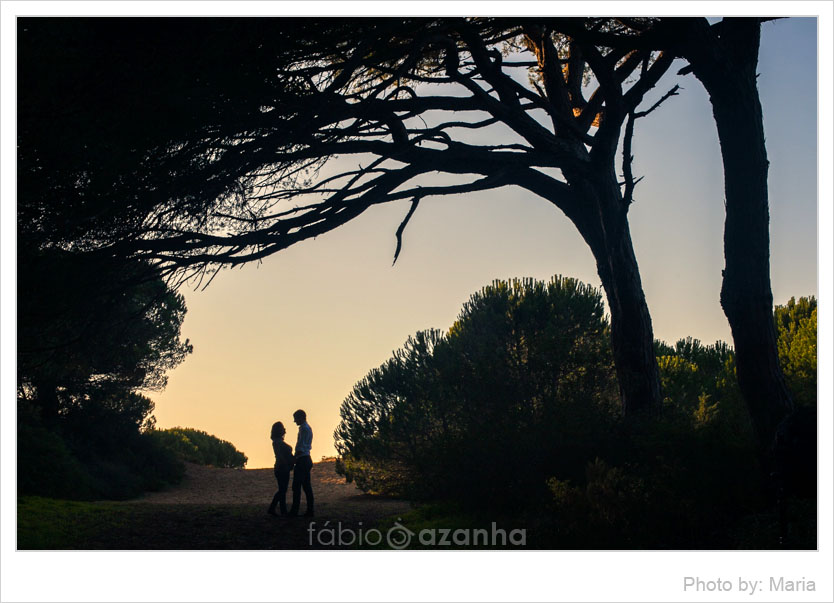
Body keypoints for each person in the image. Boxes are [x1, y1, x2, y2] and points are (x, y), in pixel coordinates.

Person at [288, 409, 314, 517]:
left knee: (297, 486)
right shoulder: (307, 428)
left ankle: (295, 510)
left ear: (301, 417)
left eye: (296, 418)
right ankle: (309, 510)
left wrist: (294, 458)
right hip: (305, 458)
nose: (295, 421)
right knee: (306, 486)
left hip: (302, 459)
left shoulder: (304, 429)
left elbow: (301, 446)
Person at [267, 421, 294, 517]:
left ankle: (281, 510)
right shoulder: (278, 442)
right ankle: (275, 508)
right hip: (282, 468)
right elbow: (280, 456)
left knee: (282, 489)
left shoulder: (277, 441)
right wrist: (287, 463)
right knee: (282, 489)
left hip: (281, 467)